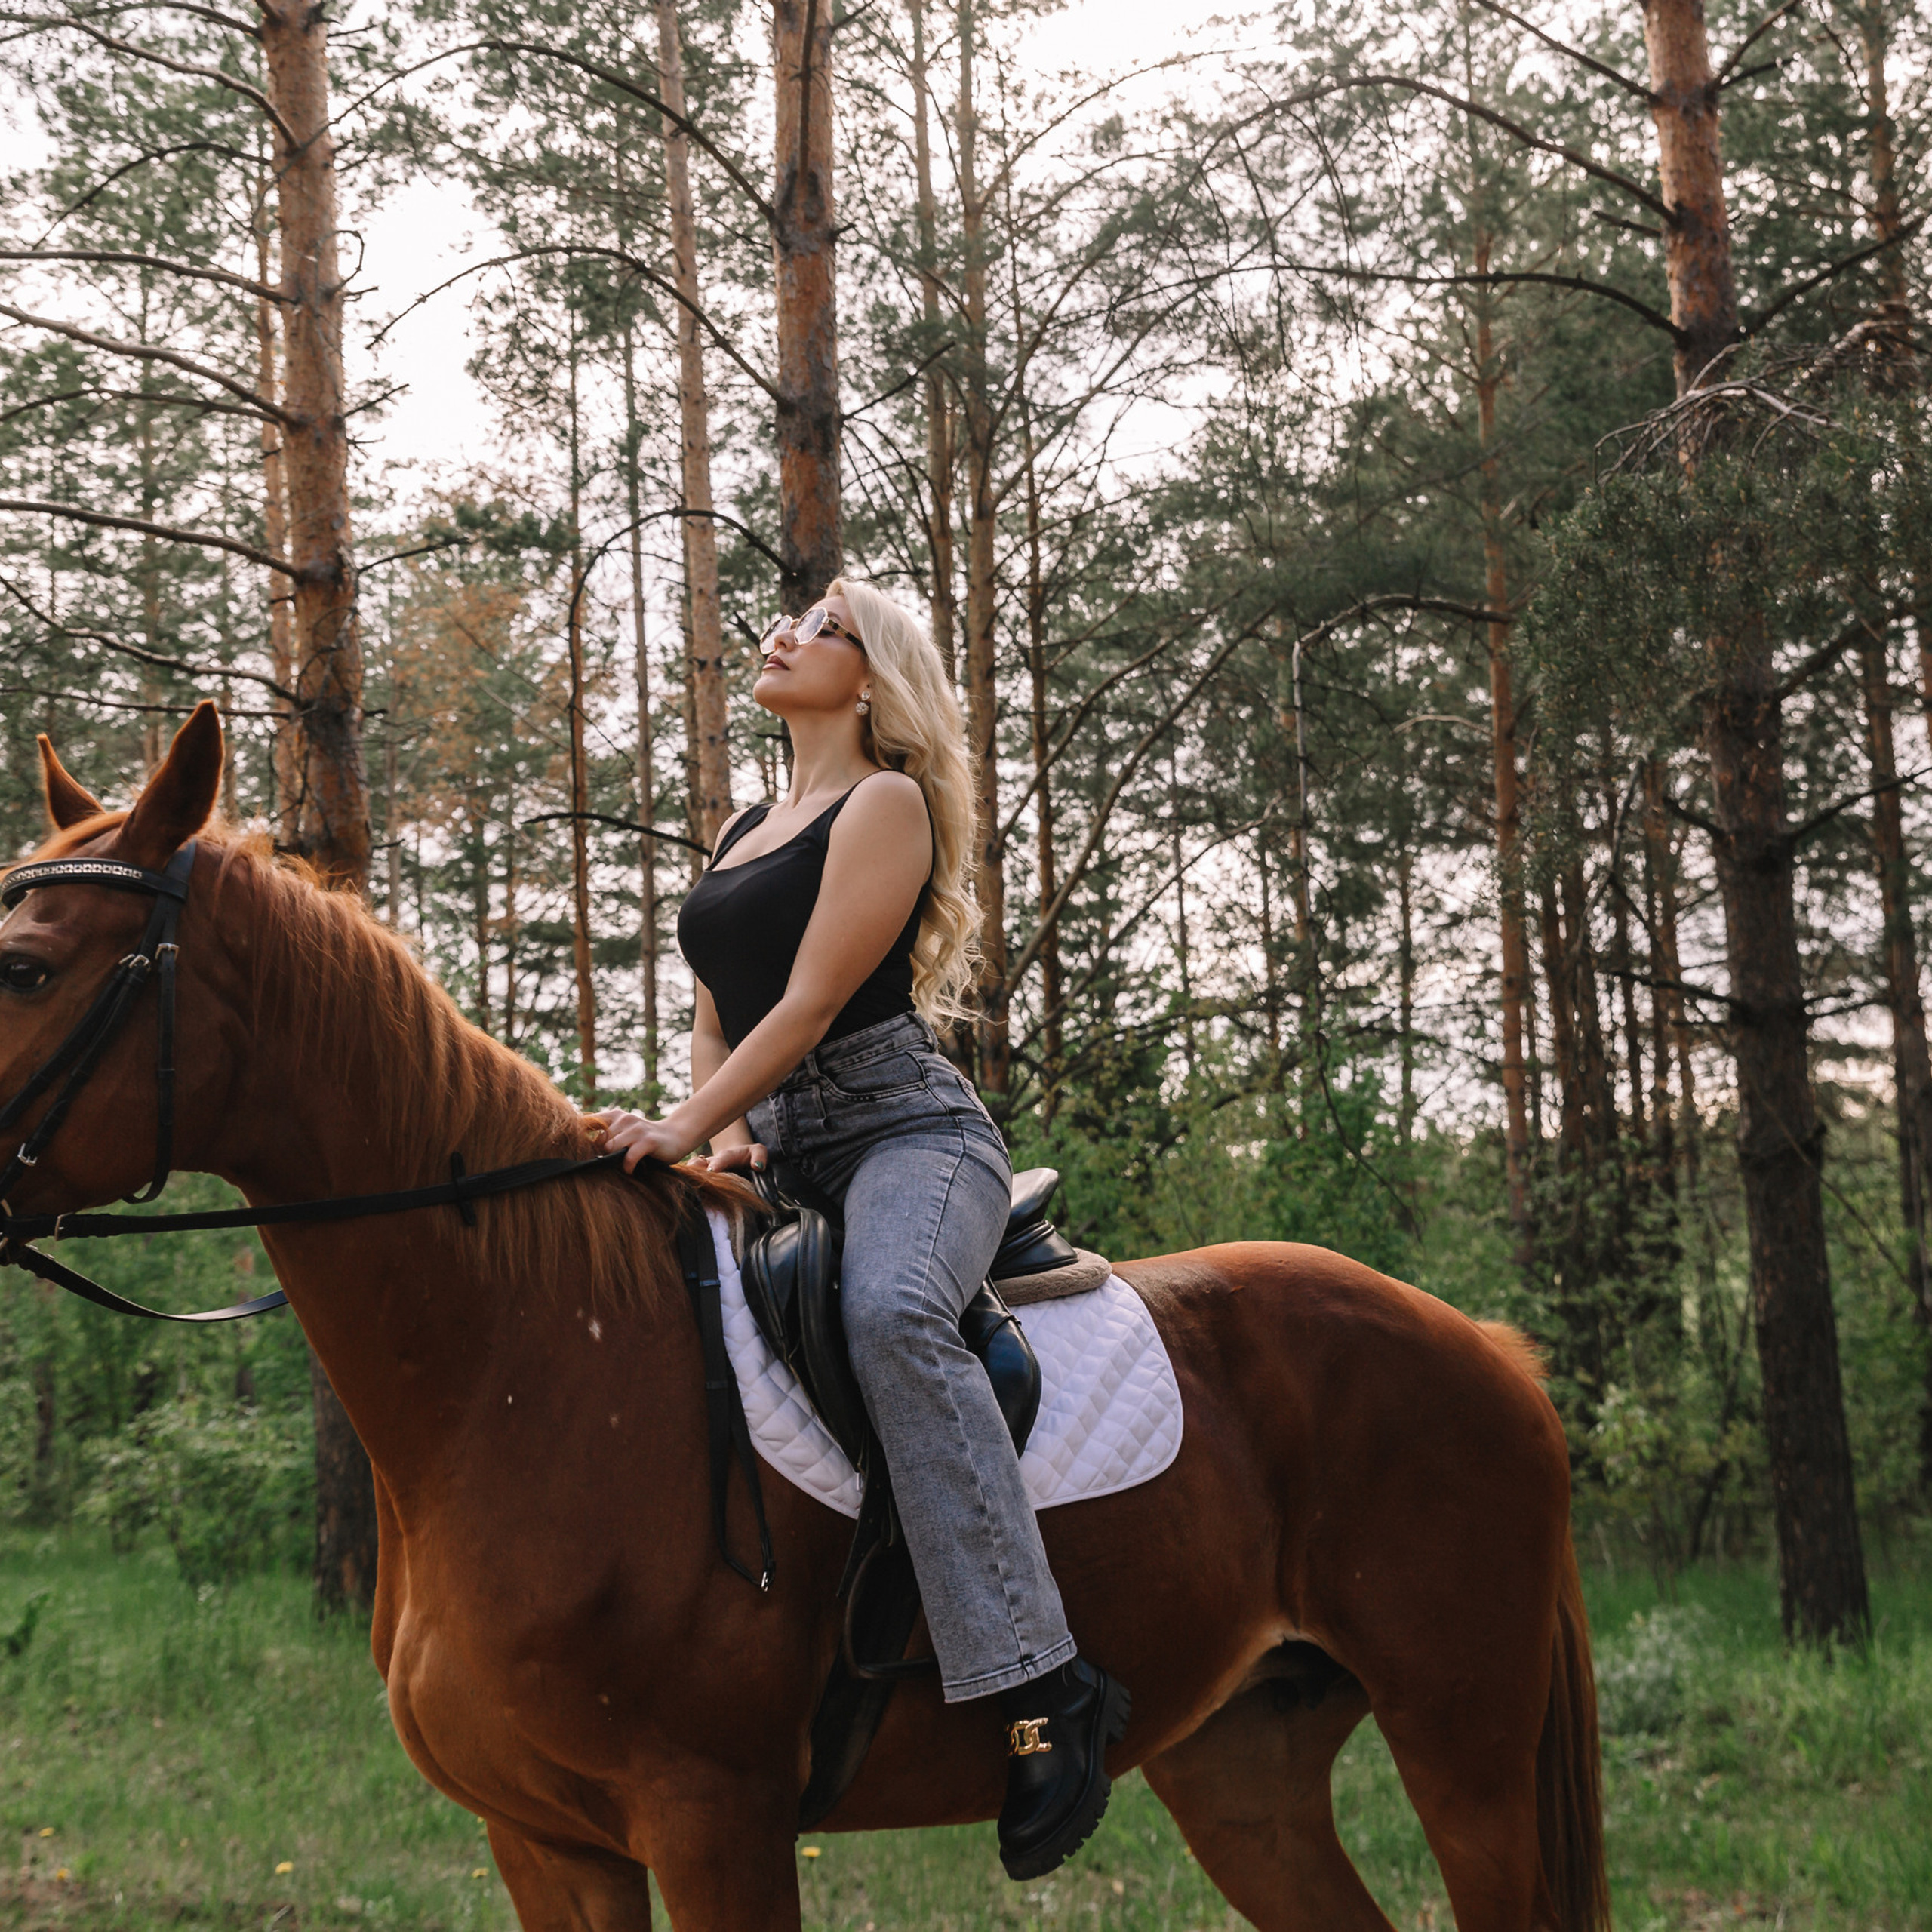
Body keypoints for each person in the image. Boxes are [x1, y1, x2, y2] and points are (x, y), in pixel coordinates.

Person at [590, 578, 1128, 1880]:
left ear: (873, 680)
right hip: (780, 1142)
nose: (783, 634)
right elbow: (723, 1018)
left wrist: (680, 1127)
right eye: (788, 621)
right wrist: (715, 1143)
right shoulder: (741, 828)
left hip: (908, 1137)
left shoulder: (885, 805)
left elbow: (813, 1008)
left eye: (822, 627)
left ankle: (1044, 1688)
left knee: (892, 1313)